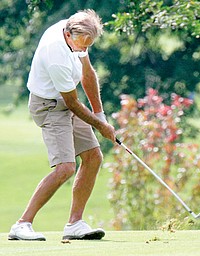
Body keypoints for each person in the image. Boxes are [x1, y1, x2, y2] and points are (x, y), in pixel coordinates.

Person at [8, 9, 115, 241]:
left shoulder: (80, 35)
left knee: (93, 157)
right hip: (48, 106)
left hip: (66, 102)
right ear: (68, 34)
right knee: (66, 167)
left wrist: (100, 115)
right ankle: (21, 224)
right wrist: (101, 127)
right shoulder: (55, 52)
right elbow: (73, 104)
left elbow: (87, 75)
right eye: (80, 44)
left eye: (89, 44)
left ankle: (75, 224)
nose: (83, 48)